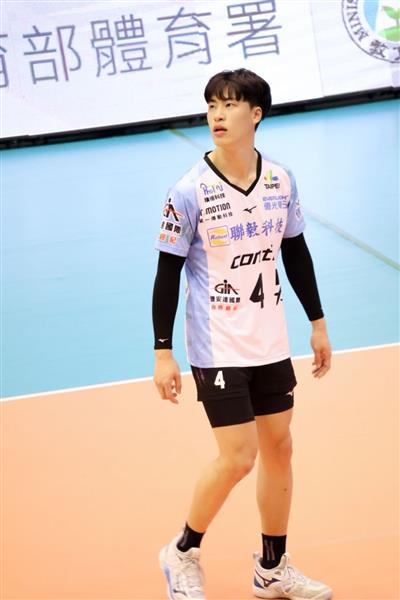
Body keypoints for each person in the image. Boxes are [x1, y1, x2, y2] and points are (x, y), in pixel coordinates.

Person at [152, 68, 332, 600]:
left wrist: (317, 323)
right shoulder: (189, 191)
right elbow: (166, 274)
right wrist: (163, 353)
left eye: (229, 105)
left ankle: (272, 568)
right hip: (218, 345)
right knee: (239, 456)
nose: (217, 115)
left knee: (279, 447)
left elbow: (295, 252)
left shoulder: (280, 180)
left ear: (256, 114)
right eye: (212, 105)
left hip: (270, 340)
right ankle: (182, 550)